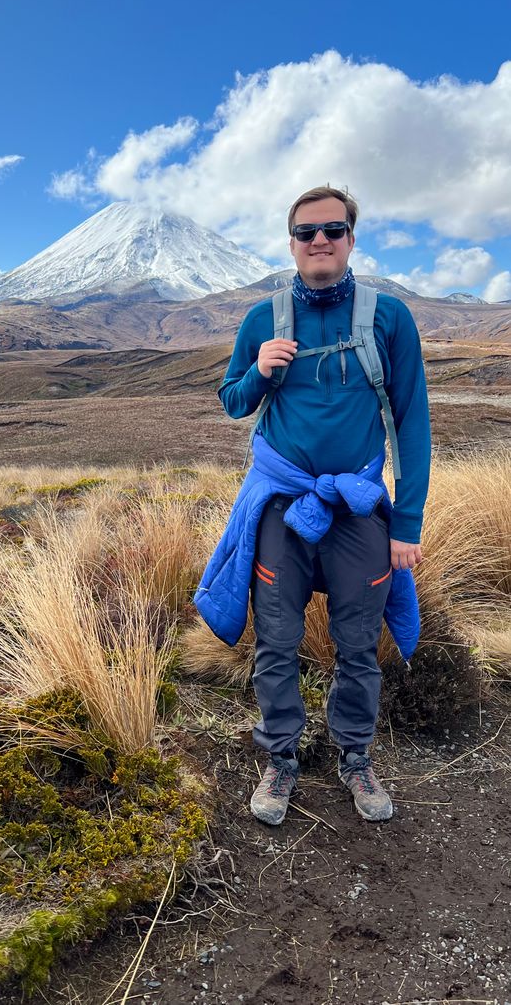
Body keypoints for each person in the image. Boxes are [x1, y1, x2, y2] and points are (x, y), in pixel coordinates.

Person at [214, 185, 431, 824]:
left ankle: (355, 758)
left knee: (359, 644)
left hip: (358, 507)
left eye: (333, 230)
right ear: (291, 243)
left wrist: (408, 521)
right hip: (282, 507)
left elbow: (412, 420)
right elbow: (232, 401)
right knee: (276, 642)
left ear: (351, 239)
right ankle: (280, 759)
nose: (320, 241)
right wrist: (259, 372)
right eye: (307, 232)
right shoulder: (263, 319)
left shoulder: (389, 317)